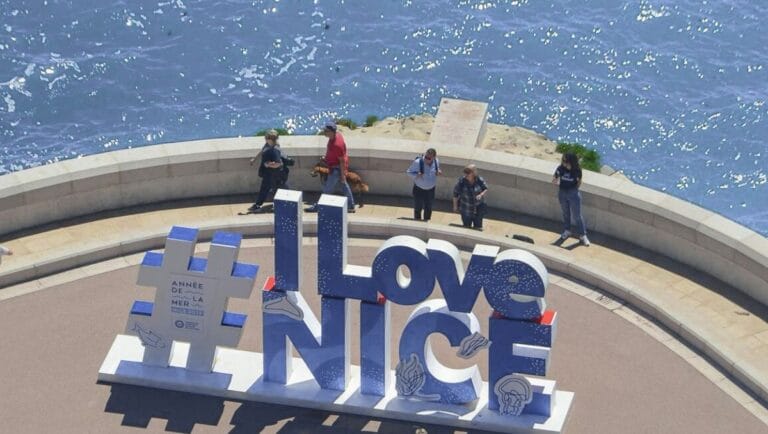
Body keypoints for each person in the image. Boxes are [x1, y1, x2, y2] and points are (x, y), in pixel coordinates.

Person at [305, 121, 356, 213]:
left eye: (326, 130)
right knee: (344, 187)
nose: (324, 132)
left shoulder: (337, 144)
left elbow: (341, 160)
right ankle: (351, 205)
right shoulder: (336, 136)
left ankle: (318, 207)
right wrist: (326, 158)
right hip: (335, 167)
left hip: (336, 169)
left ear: (332, 131)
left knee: (327, 189)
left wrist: (343, 174)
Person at [552, 152, 590, 246]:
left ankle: (582, 235)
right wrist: (556, 179)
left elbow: (579, 182)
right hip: (562, 192)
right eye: (563, 160)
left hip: (573, 193)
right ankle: (567, 230)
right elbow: (554, 178)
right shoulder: (560, 168)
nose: (563, 162)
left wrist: (574, 190)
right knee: (566, 213)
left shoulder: (577, 170)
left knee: (577, 215)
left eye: (565, 161)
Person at [247, 129, 284, 212]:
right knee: (274, 188)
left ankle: (258, 205)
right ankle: (275, 204)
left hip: (272, 173)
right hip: (268, 172)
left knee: (266, 188)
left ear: (270, 139)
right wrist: (254, 159)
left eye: (266, 137)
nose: (265, 139)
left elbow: (279, 163)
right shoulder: (268, 145)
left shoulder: (275, 150)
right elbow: (262, 151)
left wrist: (268, 165)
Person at [406, 148, 441, 221]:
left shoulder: (436, 161)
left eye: (429, 158)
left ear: (434, 157)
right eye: (426, 157)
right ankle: (417, 221)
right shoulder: (418, 162)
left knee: (429, 207)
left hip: (431, 190)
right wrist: (416, 175)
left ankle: (426, 221)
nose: (426, 159)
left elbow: (436, 170)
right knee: (418, 206)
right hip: (419, 189)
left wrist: (438, 172)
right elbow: (408, 172)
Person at [452, 164, 488, 230]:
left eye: (468, 172)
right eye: (465, 172)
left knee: (477, 227)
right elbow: (455, 194)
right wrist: (455, 206)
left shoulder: (479, 180)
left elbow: (485, 189)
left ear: (473, 173)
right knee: (466, 227)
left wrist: (481, 195)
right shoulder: (461, 181)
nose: (466, 174)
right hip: (466, 208)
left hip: (478, 209)